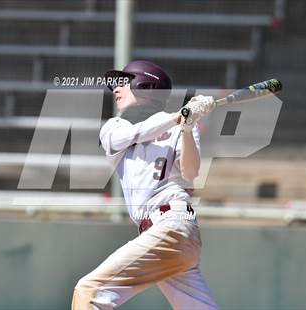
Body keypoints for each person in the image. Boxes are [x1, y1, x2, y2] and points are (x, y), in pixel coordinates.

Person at [72, 60, 219, 309]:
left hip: (174, 224)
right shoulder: (114, 126)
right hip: (161, 233)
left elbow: (190, 173)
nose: (115, 89)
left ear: (146, 85)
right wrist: (178, 117)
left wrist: (188, 126)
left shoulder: (182, 126)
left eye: (123, 83)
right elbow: (132, 135)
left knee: (90, 291)